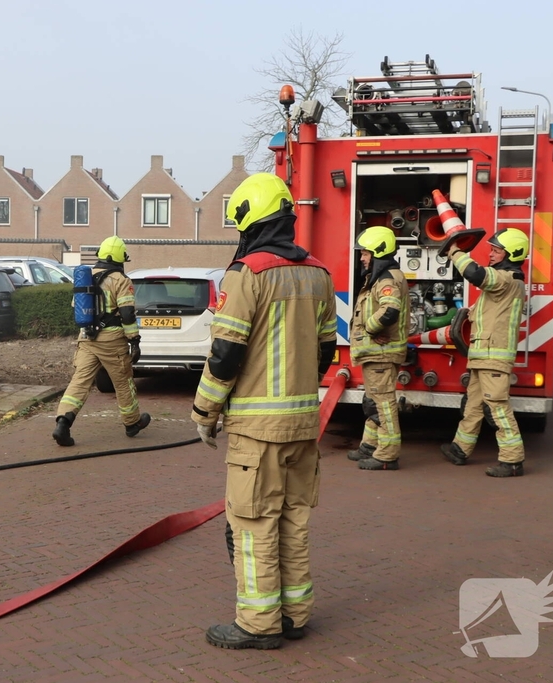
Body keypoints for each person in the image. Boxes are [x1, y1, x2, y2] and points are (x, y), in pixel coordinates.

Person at [191, 172, 337, 650]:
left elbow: (225, 355)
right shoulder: (319, 274)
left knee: (253, 527)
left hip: (257, 430)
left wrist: (204, 410)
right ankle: (295, 614)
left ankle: (257, 624)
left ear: (250, 219)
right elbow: (325, 352)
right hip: (302, 424)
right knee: (294, 522)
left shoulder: (247, 273)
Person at [440, 228, 529, 477]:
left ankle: (512, 461)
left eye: (496, 250)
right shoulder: (503, 283)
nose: (490, 254)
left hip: (493, 356)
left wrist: (454, 251)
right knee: (474, 406)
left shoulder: (507, 279)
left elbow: (474, 273)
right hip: (484, 355)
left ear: (511, 254)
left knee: (497, 407)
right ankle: (460, 449)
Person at [52, 236, 151, 446]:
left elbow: (76, 307)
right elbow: (127, 314)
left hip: (87, 338)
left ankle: (63, 422)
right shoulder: (121, 281)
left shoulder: (85, 277)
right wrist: (135, 341)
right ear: (119, 259)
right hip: (112, 340)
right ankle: (132, 423)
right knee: (123, 382)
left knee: (80, 381)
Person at [347, 226, 410, 471]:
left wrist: (369, 330)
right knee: (374, 401)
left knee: (383, 404)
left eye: (365, 253)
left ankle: (387, 455)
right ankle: (369, 445)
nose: (362, 258)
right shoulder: (382, 276)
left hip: (382, 354)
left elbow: (390, 310)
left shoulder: (386, 279)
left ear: (378, 252)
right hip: (377, 354)